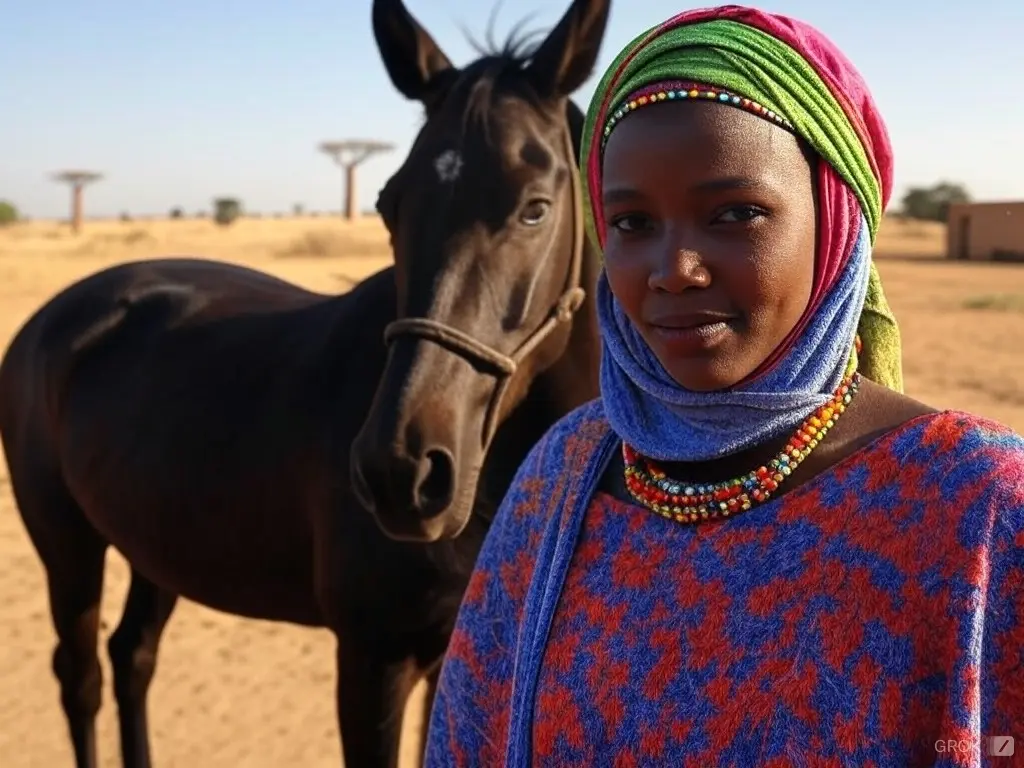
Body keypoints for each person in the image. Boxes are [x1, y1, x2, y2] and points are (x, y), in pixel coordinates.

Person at [423, 6, 1024, 767]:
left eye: (736, 213)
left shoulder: (981, 508)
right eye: (633, 223)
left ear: (838, 220)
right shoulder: (562, 474)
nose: (674, 268)